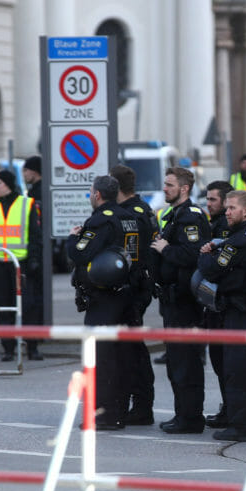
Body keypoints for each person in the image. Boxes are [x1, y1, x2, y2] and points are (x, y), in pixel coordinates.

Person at [197, 190, 246, 441]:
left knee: (237, 371)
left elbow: (212, 271)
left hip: (239, 312)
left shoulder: (241, 240)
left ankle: (241, 426)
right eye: (226, 208)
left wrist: (206, 254)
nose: (226, 212)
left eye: (231, 208)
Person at [67, 175, 136, 429]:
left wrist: (73, 237)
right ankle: (119, 411)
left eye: (90, 192)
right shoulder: (128, 216)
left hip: (104, 297)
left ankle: (104, 415)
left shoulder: (100, 220)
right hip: (127, 294)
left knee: (101, 358)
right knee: (120, 357)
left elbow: (79, 252)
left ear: (97, 195)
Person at [152, 166, 211, 433]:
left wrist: (166, 249)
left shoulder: (191, 217)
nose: (164, 188)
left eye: (169, 185)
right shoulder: (173, 214)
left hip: (185, 301)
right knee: (176, 361)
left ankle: (190, 418)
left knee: (186, 362)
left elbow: (193, 255)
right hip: (172, 300)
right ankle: (182, 415)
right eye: (164, 184)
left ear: (184, 189)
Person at [0, 169, 43, 361]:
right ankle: (8, 348)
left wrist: (35, 259)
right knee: (3, 307)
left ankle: (33, 347)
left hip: (20, 263)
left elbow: (36, 236)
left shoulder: (26, 204)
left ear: (8, 184)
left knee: (28, 306)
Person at [112, 164, 159, 426]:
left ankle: (141, 406)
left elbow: (133, 256)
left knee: (131, 351)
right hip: (140, 286)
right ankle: (140, 405)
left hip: (133, 288)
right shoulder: (142, 208)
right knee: (133, 348)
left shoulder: (131, 214)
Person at [202, 180, 233, 428]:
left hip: (222, 303)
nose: (208, 203)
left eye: (213, 199)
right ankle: (228, 407)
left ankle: (231, 410)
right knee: (219, 361)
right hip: (214, 302)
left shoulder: (224, 226)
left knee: (224, 361)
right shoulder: (215, 223)